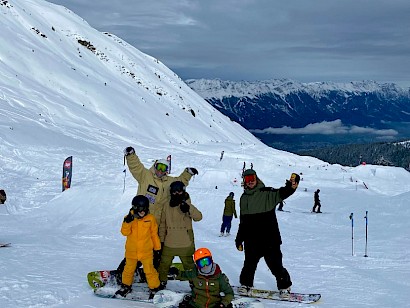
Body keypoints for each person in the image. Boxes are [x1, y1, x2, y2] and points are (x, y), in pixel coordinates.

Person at [119, 146, 198, 278]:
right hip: (141, 221)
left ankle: (153, 272)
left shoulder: (169, 182)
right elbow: (135, 167)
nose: (161, 171)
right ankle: (123, 272)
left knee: (156, 251)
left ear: (166, 171)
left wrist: (188, 173)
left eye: (164, 168)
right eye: (159, 167)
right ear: (155, 166)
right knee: (138, 249)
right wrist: (130, 155)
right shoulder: (145, 176)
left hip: (158, 225)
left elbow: (180, 182)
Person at [235, 169, 300, 299]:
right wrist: (239, 239)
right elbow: (243, 221)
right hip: (251, 239)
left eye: (252, 178)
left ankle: (285, 287)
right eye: (247, 179)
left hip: (269, 238)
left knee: (275, 265)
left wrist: (291, 187)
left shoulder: (266, 193)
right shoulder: (243, 199)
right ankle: (246, 285)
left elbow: (281, 193)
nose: (251, 181)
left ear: (257, 178)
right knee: (249, 264)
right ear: (244, 182)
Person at [157, 181, 202, 289]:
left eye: (180, 191)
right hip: (170, 242)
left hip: (185, 242)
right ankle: (161, 282)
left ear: (183, 191)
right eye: (174, 192)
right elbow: (163, 225)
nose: (177, 194)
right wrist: (161, 242)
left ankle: (194, 284)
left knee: (189, 266)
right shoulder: (166, 205)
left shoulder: (187, 204)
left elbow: (199, 217)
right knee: (164, 265)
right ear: (171, 192)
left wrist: (188, 208)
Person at [115, 195, 162, 299]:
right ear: (135, 207)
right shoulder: (129, 218)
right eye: (140, 209)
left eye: (145, 208)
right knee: (128, 269)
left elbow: (154, 235)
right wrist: (127, 222)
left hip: (146, 251)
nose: (143, 211)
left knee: (149, 270)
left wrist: (157, 249)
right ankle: (125, 286)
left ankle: (154, 289)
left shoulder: (150, 219)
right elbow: (124, 232)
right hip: (132, 251)